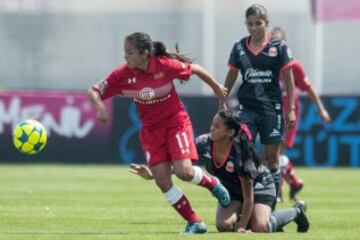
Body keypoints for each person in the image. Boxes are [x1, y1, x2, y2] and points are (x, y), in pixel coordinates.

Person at [88, 32, 231, 234]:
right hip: (151, 132)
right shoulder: (122, 75)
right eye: (124, 52)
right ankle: (195, 222)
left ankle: (213, 184)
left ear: (144, 53)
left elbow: (196, 69)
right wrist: (100, 107)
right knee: (162, 181)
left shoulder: (164, 65)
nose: (125, 57)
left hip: (176, 124)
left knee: (185, 172)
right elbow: (93, 91)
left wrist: (216, 87)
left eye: (129, 52)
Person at [130, 111, 310, 233]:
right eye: (212, 124)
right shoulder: (204, 142)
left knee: (259, 227)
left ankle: (296, 212)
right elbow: (182, 167)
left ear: (230, 132)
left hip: (259, 187)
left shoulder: (240, 155)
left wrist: (241, 228)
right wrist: (155, 174)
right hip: (232, 189)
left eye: (217, 126)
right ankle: (253, 219)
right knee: (223, 226)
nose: (212, 128)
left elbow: (248, 198)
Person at [223, 4, 296, 199]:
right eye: (249, 24)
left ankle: (271, 199)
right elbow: (231, 75)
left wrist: (290, 110)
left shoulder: (279, 47)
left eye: (258, 23)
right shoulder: (239, 47)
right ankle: (243, 198)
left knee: (272, 159)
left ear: (267, 23)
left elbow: (289, 80)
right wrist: (222, 98)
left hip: (272, 110)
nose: (253, 28)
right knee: (243, 154)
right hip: (246, 110)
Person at [271, 27, 331, 202]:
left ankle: (278, 191)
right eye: (273, 43)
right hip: (270, 111)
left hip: (289, 112)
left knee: (277, 151)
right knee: (272, 153)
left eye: (279, 43)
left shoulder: (294, 66)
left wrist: (321, 109)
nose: (275, 47)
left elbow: (309, 88)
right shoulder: (265, 64)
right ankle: (293, 182)